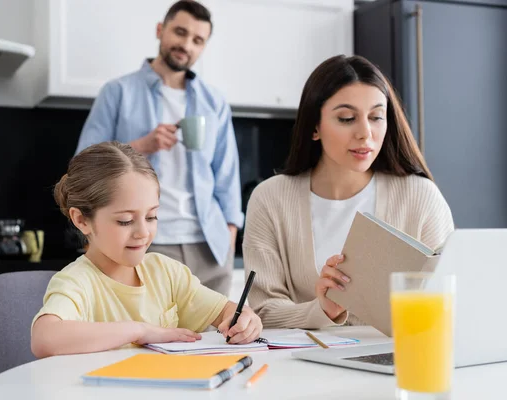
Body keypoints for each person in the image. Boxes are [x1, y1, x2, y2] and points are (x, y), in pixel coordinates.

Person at [242, 55, 454, 329]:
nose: (365, 133)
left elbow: (448, 299)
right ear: (315, 127)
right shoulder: (270, 198)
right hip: (304, 365)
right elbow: (264, 311)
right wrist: (323, 310)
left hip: (398, 359)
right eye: (346, 118)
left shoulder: (421, 196)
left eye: (376, 117)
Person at [74, 0, 242, 296]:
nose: (186, 44)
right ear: (160, 30)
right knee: (150, 336)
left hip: (210, 246)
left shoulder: (214, 101)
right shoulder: (118, 92)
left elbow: (226, 173)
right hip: (147, 241)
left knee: (216, 340)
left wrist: (230, 231)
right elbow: (83, 165)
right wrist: (142, 146)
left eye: (197, 40)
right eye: (180, 32)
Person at [31, 142, 261, 358]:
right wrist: (138, 331)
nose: (143, 232)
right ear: (81, 220)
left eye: (151, 216)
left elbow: (225, 311)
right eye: (125, 221)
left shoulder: (166, 272)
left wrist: (245, 320)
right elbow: (44, 339)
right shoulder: (76, 282)